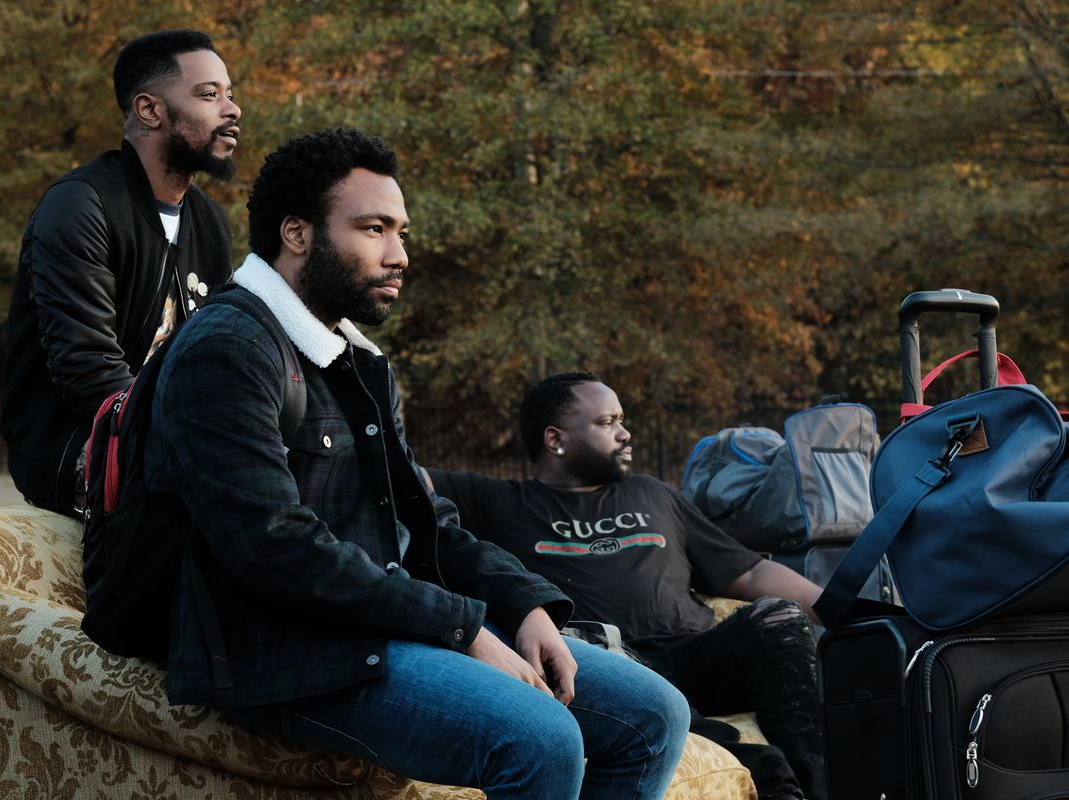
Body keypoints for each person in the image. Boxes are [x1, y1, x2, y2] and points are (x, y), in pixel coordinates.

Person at [142, 128, 690, 798]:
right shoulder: (227, 348)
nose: (399, 255)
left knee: (655, 715)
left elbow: (426, 520)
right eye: (373, 229)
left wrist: (522, 606)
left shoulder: (360, 360)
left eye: (400, 232)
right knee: (541, 737)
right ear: (297, 234)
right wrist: (461, 629)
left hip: (379, 622)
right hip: (283, 651)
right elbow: (272, 548)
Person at [428, 371, 828, 800]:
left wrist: (840, 608)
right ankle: (765, 773)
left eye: (621, 419)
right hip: (608, 664)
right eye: (607, 423)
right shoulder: (496, 500)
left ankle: (819, 786)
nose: (625, 432)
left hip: (697, 655)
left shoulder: (652, 493)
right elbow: (396, 472)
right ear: (555, 440)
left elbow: (747, 572)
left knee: (777, 617)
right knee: (609, 657)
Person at [1, 28, 240, 515]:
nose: (232, 109)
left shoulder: (210, 222)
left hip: (176, 435)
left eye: (230, 95)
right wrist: (197, 440)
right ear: (149, 110)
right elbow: (87, 367)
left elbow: (218, 351)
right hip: (78, 443)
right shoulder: (81, 204)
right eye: (209, 95)